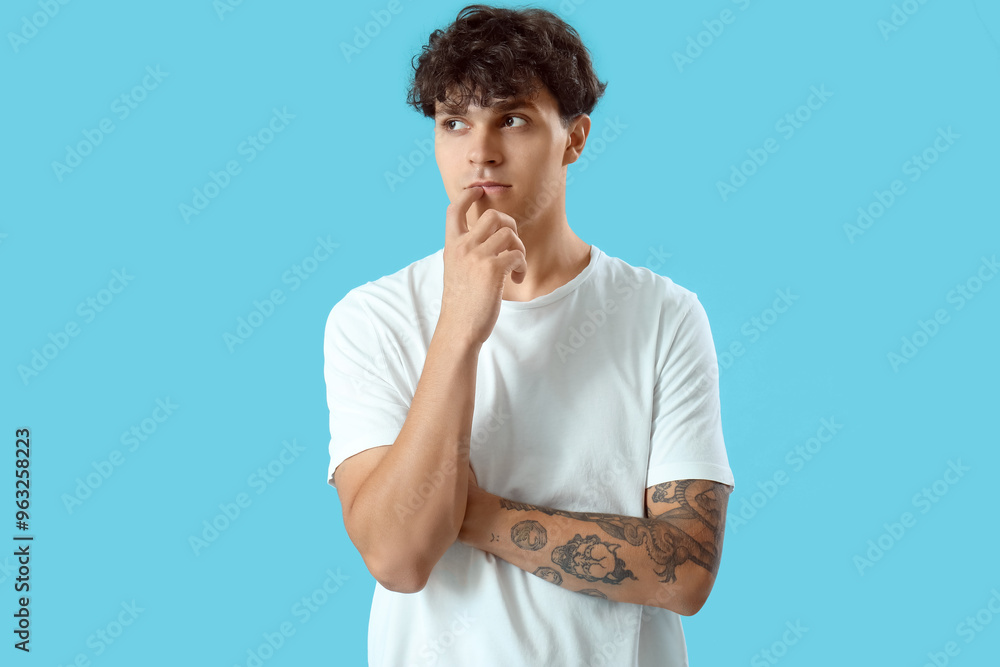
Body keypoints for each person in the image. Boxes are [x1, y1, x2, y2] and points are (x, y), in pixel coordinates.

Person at [324, 5, 735, 665]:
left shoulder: (663, 314)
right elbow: (399, 557)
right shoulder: (372, 319)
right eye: (453, 122)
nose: (479, 151)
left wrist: (469, 513)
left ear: (574, 139)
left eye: (511, 118)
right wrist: (460, 324)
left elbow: (684, 571)